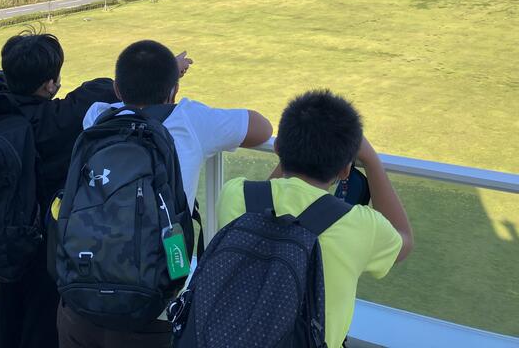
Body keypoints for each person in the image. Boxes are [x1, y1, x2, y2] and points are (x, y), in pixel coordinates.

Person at [57, 39, 273, 348]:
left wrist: (162, 73)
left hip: (80, 299)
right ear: (174, 90)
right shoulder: (191, 120)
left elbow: (127, 99)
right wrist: (169, 80)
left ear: (117, 88)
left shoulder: (97, 117)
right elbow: (263, 128)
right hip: (153, 310)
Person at [0, 30, 118, 348]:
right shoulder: (56, 121)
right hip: (43, 245)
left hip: (3, 237)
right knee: (43, 322)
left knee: (11, 311)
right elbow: (105, 88)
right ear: (49, 85)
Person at [217, 89, 414, 348]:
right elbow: (404, 241)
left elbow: (265, 198)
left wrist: (290, 151)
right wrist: (371, 160)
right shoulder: (361, 225)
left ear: (278, 148)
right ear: (345, 169)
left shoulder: (235, 194)